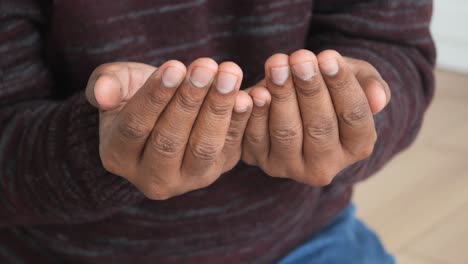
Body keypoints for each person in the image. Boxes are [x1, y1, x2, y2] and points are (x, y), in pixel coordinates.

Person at [0, 0, 435, 263]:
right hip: (53, 253)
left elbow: (394, 49)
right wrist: (95, 147)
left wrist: (346, 116)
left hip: (303, 239)